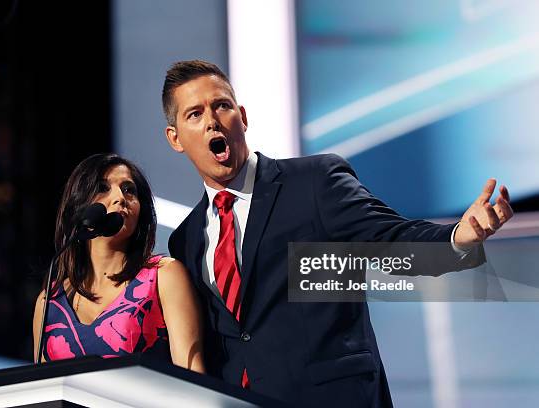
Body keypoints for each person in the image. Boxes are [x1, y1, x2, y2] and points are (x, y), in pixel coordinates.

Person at [162, 60, 513, 407]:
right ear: (175, 138)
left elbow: (390, 239)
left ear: (243, 116)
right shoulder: (186, 238)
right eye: (194, 114)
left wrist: (457, 237)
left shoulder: (313, 182)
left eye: (221, 106)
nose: (212, 121)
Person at [32, 153, 205, 373]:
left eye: (129, 190)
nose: (120, 198)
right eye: (103, 188)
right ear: (78, 204)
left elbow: (192, 375)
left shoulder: (164, 275)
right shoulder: (49, 302)